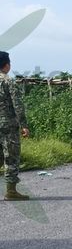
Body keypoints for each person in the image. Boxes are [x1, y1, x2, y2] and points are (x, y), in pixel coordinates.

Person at [0, 52, 30, 201]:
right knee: (11, 157)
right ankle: (11, 191)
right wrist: (24, 125)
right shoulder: (8, 81)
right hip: (7, 126)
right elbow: (17, 105)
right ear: (7, 64)